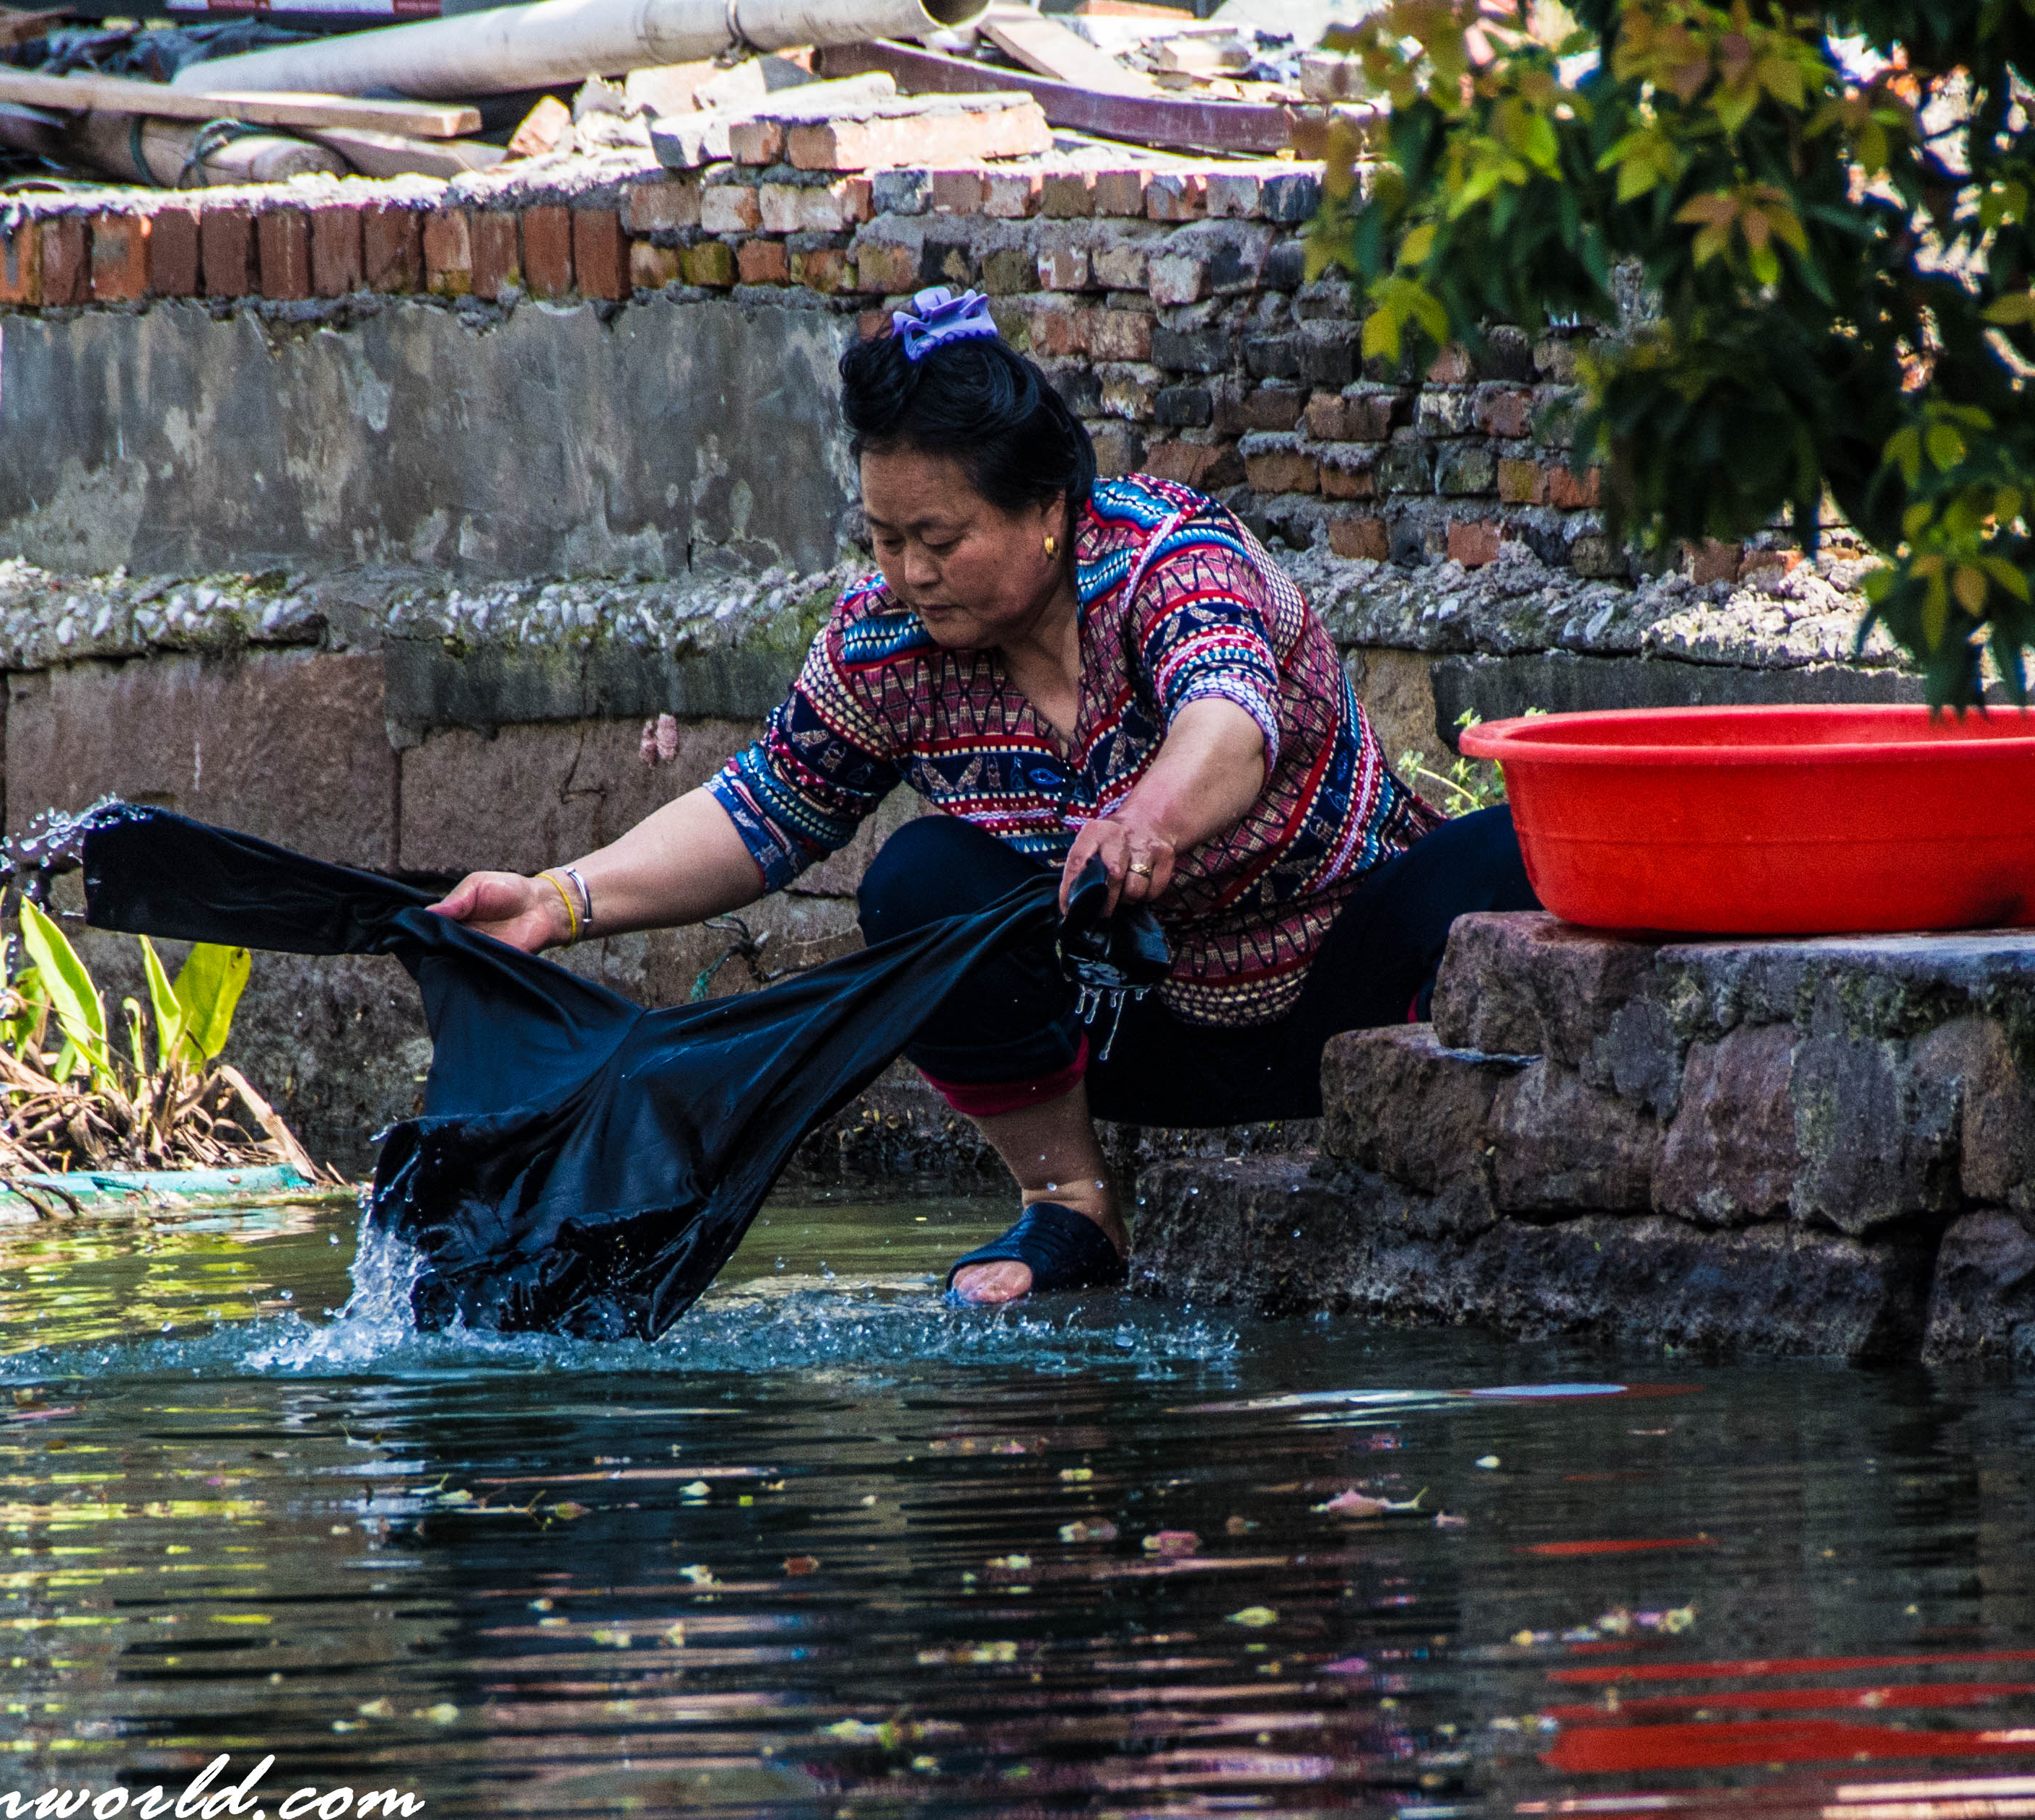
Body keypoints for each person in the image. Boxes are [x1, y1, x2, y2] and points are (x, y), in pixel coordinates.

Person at [431, 286, 1539, 1306]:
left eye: (940, 539)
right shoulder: (884, 645)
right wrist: (559, 901)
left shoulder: (1168, 559)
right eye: (885, 538)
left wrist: (1145, 820)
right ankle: (1069, 1206)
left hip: (1349, 987)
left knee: (1506, 851)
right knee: (921, 881)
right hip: (1131, 1030)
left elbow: (1229, 717)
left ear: (1048, 509)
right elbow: (762, 808)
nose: (910, 571)